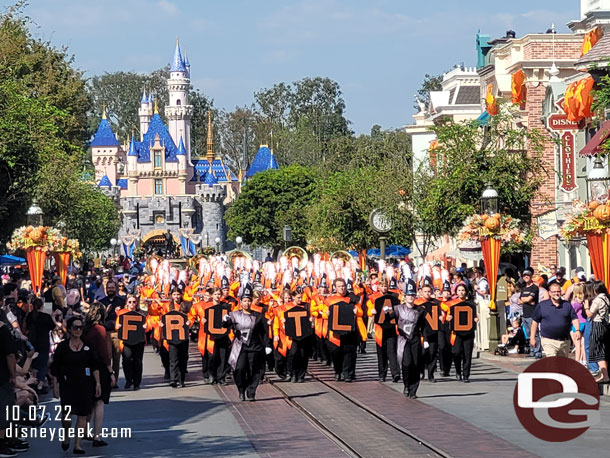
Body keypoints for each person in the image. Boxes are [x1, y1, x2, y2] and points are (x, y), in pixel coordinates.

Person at [51, 316, 101, 455]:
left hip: (85, 384)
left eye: (80, 327)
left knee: (82, 415)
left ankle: (77, 444)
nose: (78, 330)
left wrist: (97, 383)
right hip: (67, 385)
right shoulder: (62, 347)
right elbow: (55, 367)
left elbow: (94, 365)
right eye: (75, 327)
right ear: (70, 329)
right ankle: (66, 434)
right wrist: (55, 385)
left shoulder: (87, 346)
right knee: (67, 416)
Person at [224, 284, 267, 401]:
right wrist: (225, 320)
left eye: (249, 301)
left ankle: (251, 391)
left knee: (254, 370)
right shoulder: (234, 314)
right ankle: (241, 389)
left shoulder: (258, 316)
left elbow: (264, 331)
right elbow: (225, 325)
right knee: (240, 369)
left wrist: (267, 345)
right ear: (241, 302)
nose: (247, 303)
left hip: (255, 347)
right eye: (244, 301)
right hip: (240, 347)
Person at [82, 303, 113, 447]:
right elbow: (104, 352)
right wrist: (110, 370)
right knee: (100, 401)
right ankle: (97, 436)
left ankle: (86, 430)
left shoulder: (86, 329)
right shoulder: (100, 329)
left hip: (86, 366)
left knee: (92, 401)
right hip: (99, 367)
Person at [530, 283, 580, 358]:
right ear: (549, 293)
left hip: (564, 341)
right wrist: (532, 337)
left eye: (558, 291)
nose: (556, 293)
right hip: (548, 340)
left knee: (562, 366)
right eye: (554, 292)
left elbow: (574, 318)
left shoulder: (567, 305)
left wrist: (577, 330)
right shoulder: (543, 305)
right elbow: (535, 322)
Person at [395, 279, 426, 398]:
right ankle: (406, 384)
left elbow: (424, 326)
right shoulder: (398, 309)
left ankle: (413, 390)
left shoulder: (420, 310)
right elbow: (390, 319)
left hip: (415, 340)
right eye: (408, 295)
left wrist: (426, 339)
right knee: (406, 363)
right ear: (405, 296)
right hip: (403, 340)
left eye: (412, 295)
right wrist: (385, 312)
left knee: (416, 364)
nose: (410, 297)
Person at [368, 276, 400, 382]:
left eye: (385, 285)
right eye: (382, 285)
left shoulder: (394, 296)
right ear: (378, 286)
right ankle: (382, 374)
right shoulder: (373, 297)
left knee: (392, 351)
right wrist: (371, 311)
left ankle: (395, 373)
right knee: (381, 352)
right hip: (379, 328)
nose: (384, 287)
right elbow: (369, 310)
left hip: (391, 327)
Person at [24, 298, 56, 393]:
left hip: (33, 343)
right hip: (44, 343)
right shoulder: (45, 316)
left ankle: (33, 382)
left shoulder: (30, 316)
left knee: (34, 363)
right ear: (42, 306)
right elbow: (53, 327)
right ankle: (40, 385)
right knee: (42, 364)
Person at [447, 284, 478, 382]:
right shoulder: (451, 304)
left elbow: (474, 316)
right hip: (456, 333)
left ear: (466, 292)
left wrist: (476, 319)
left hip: (468, 332)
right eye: (459, 290)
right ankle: (458, 371)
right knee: (456, 353)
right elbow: (446, 316)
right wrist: (447, 318)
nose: (461, 292)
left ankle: (466, 375)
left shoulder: (471, 304)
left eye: (463, 290)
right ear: (456, 292)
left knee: (467, 354)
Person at [116, 295, 146, 390]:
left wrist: (146, 326)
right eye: (130, 302)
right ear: (126, 303)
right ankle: (129, 380)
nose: (132, 304)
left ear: (136, 303)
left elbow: (147, 325)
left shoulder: (141, 313)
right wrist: (118, 326)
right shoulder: (122, 314)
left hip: (139, 341)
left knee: (138, 361)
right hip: (126, 340)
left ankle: (137, 383)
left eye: (134, 301)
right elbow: (117, 326)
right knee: (127, 359)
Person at [101, 280, 126, 386]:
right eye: (108, 288)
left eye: (112, 287)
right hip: (106, 333)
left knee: (116, 358)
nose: (110, 289)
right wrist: (105, 312)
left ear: (115, 289)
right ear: (106, 289)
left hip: (117, 333)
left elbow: (125, 315)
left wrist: (118, 313)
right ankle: (107, 379)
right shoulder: (102, 301)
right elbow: (99, 318)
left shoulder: (121, 301)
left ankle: (114, 381)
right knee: (107, 357)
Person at [584, 282, 610, 382]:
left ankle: (601, 372)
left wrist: (586, 306)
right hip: (604, 325)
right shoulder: (606, 298)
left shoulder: (598, 299)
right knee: (601, 349)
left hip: (597, 325)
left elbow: (590, 314)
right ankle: (605, 375)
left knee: (595, 349)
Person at [519, 269, 541, 358]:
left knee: (534, 333)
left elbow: (528, 299)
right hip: (525, 314)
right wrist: (526, 300)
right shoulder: (523, 288)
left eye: (528, 275)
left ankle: (537, 351)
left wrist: (526, 300)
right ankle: (532, 351)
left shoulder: (534, 288)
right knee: (528, 334)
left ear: (531, 276)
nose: (526, 277)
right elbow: (519, 300)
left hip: (533, 314)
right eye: (524, 275)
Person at [570, 283, 587, 366]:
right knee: (583, 344)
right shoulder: (583, 301)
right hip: (584, 321)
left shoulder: (574, 303)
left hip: (577, 323)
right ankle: (584, 360)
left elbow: (573, 314)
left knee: (577, 345)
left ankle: (577, 362)